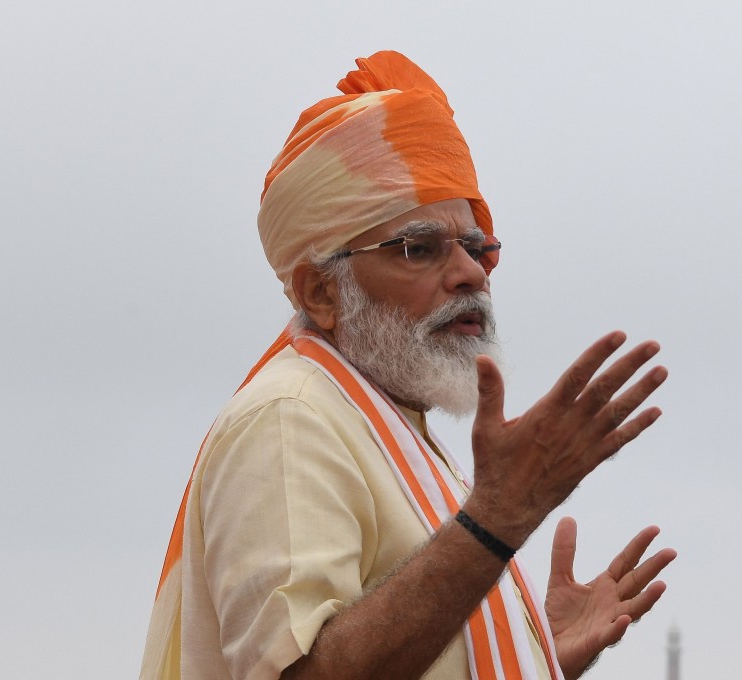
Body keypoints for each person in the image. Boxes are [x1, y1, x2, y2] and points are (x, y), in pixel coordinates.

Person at [141, 50, 675, 680]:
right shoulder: (291, 418)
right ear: (321, 293)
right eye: (420, 248)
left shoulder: (397, 431)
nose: (472, 273)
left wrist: (523, 653)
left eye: (476, 247)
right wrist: (496, 519)